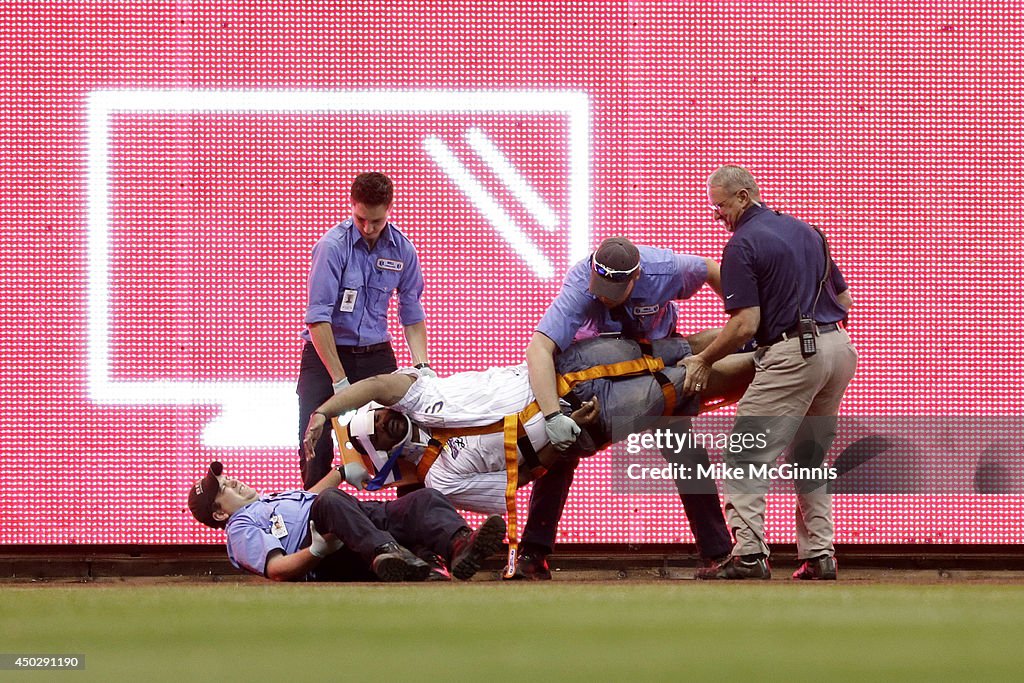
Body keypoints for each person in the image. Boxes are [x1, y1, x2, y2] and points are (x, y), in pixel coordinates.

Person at [303, 335, 755, 572]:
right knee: (691, 382)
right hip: (580, 421)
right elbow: (517, 486)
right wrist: (569, 435)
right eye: (378, 433)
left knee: (686, 347)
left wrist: (324, 411)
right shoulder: (442, 480)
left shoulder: (414, 392)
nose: (385, 421)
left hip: (560, 367)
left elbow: (373, 386)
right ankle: (780, 361)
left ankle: (771, 336)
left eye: (379, 416)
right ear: (380, 456)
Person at [684, 165, 857, 581]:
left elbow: (745, 324)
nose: (718, 215)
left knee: (745, 454)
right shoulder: (810, 231)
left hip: (795, 353)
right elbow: (845, 301)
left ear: (743, 198)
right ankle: (820, 555)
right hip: (838, 350)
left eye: (721, 206)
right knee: (809, 459)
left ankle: (748, 555)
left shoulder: (742, 244)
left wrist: (704, 359)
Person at [520, 237, 730, 579]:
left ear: (636, 278)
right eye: (599, 288)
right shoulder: (579, 285)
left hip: (655, 355)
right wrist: (553, 416)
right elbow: (539, 350)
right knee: (563, 449)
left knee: (685, 451)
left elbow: (710, 269)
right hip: (596, 366)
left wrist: (740, 317)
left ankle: (718, 553)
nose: (603, 296)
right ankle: (533, 552)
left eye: (613, 291)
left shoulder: (666, 269)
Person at [297, 172, 433, 489]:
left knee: (405, 437)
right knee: (314, 443)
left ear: (389, 210)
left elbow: (411, 312)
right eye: (361, 219)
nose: (368, 228)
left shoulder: (403, 250)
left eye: (376, 221)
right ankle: (317, 521)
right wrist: (339, 380)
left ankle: (413, 519)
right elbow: (318, 319)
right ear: (352, 205)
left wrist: (422, 365)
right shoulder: (331, 247)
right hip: (326, 354)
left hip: (377, 356)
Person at [187, 461, 506, 582]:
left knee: (421, 500)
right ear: (219, 513)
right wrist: (317, 551)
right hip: (328, 548)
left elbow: (310, 496)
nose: (234, 482)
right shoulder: (239, 529)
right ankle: (395, 555)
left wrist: (340, 472)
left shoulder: (268, 500)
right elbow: (276, 569)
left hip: (353, 520)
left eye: (228, 478)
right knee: (329, 504)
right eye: (225, 488)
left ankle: (460, 547)